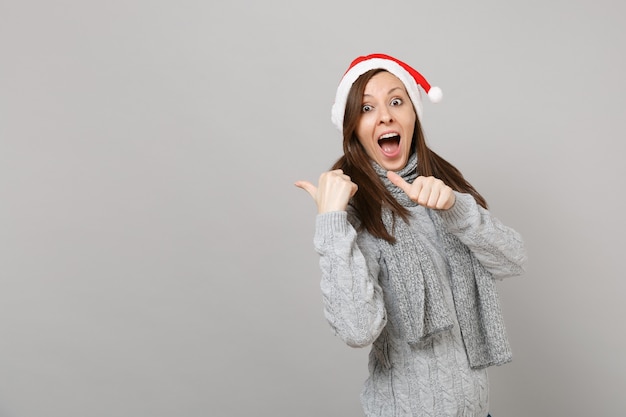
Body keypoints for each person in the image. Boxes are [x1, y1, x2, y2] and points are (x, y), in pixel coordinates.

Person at [295, 53, 527, 417]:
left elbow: (514, 258)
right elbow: (357, 330)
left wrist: (456, 208)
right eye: (367, 108)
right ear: (353, 127)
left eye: (396, 101)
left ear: (413, 115)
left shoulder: (443, 189)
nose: (385, 115)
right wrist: (331, 223)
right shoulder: (356, 210)